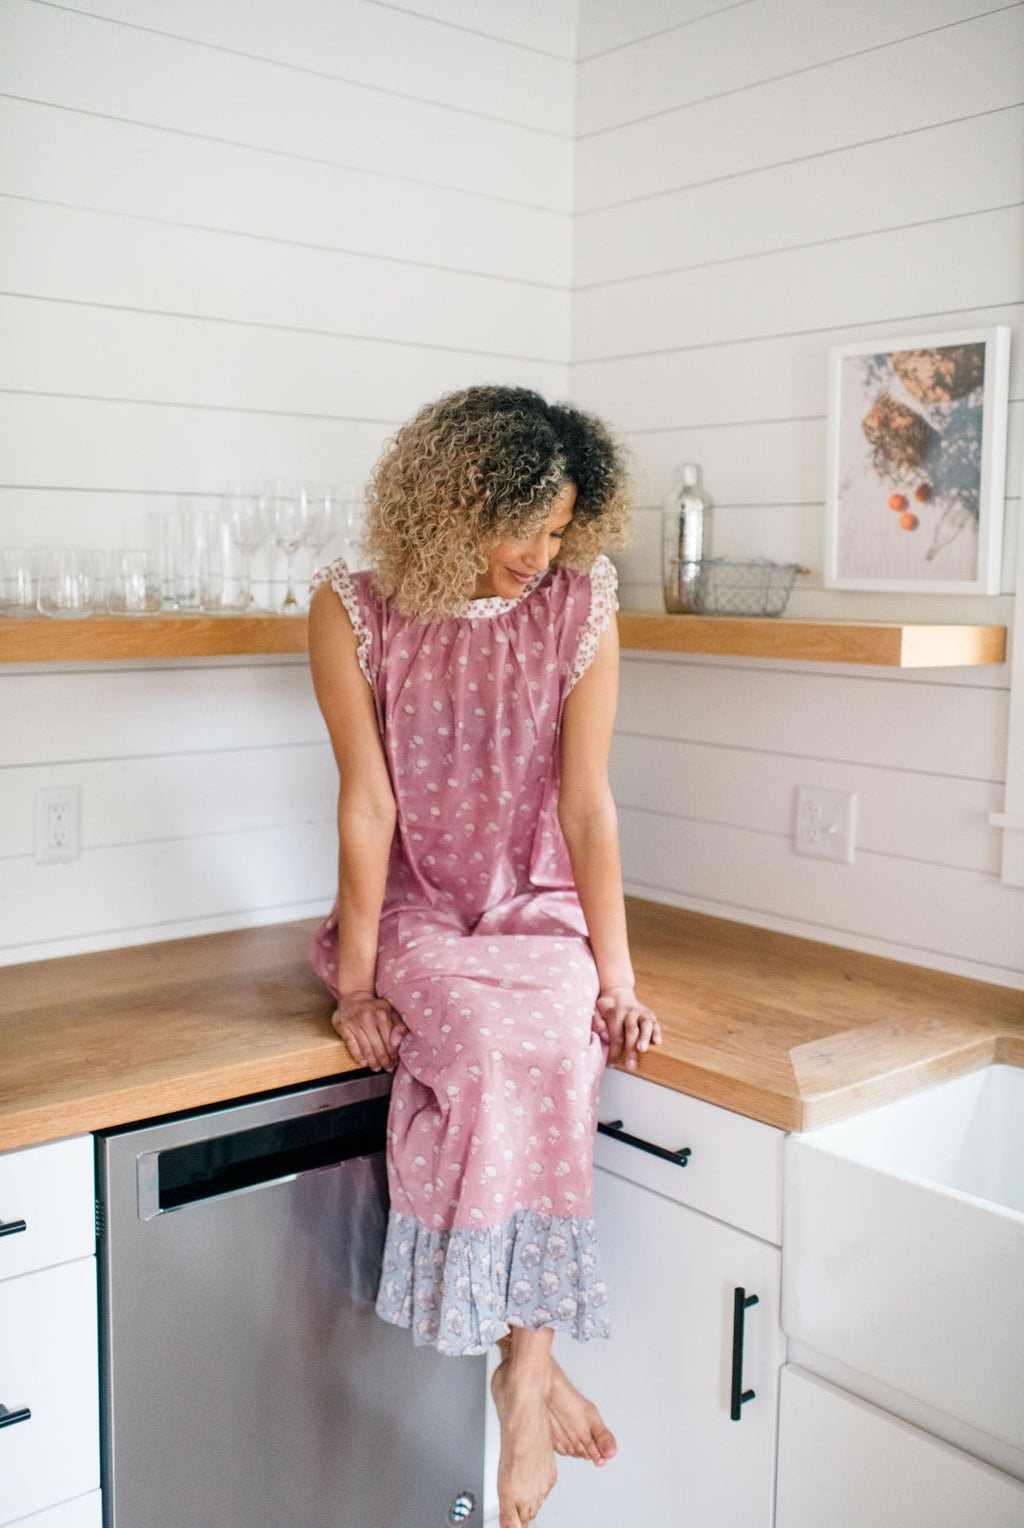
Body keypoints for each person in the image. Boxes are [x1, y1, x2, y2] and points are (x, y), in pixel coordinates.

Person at [306, 385, 661, 1528]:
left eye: (560, 530)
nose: (542, 554)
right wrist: (356, 982)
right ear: (454, 504)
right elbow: (366, 809)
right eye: (526, 528)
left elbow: (590, 808)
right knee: (475, 1038)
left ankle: (523, 1367)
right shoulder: (351, 609)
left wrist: (617, 977)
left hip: (538, 903)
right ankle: (531, 1366)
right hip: (419, 911)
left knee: (556, 1037)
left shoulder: (580, 605)